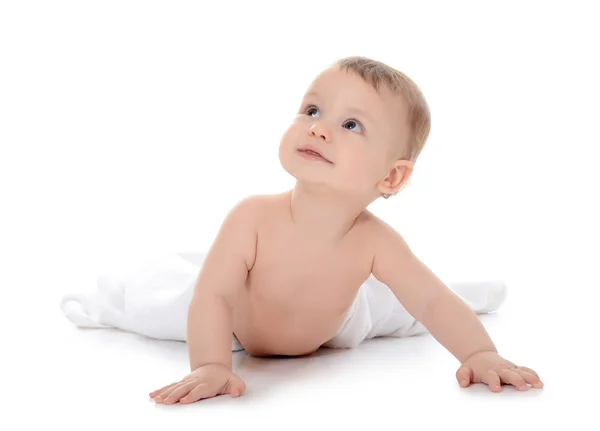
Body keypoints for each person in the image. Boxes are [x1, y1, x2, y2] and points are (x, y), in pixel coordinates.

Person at [149, 56, 543, 405]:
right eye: (313, 110)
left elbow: (431, 301)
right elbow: (214, 296)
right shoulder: (251, 218)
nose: (319, 129)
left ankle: (475, 299)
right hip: (236, 329)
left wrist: (478, 354)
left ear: (391, 176)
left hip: (343, 325)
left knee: (408, 308)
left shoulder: (374, 241)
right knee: (164, 305)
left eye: (351, 124)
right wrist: (211, 364)